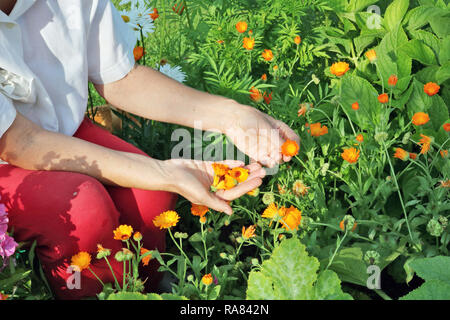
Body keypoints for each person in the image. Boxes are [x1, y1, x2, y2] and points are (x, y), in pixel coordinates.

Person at [0, 0, 299, 299]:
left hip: (57, 129)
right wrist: (162, 172)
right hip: (9, 154)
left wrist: (231, 116)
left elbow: (121, 79)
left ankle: (150, 288)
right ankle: (92, 292)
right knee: (83, 211)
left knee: (150, 197)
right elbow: (20, 142)